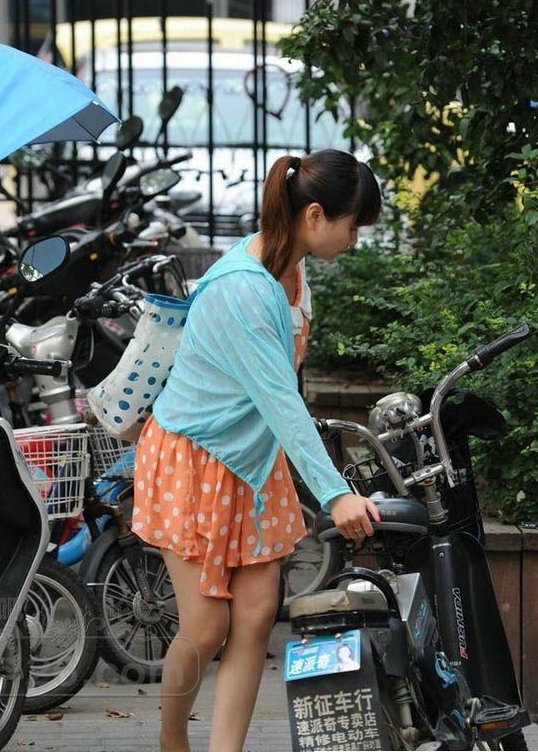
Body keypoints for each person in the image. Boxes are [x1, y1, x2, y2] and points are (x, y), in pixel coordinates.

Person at [133, 149, 382, 752]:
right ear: (316, 215)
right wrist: (336, 493)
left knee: (252, 620)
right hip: (193, 458)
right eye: (353, 226)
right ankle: (172, 741)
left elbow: (280, 398)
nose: (355, 240)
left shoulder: (292, 270)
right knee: (205, 627)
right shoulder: (243, 290)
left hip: (252, 462)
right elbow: (280, 399)